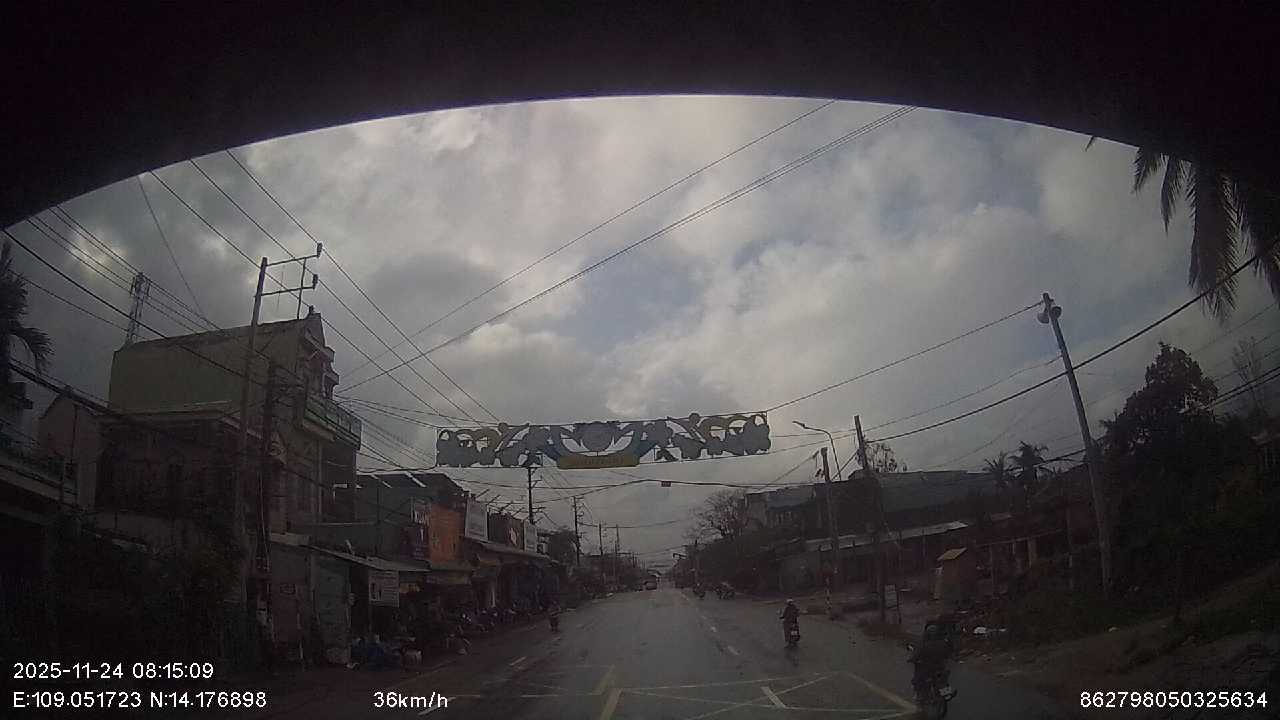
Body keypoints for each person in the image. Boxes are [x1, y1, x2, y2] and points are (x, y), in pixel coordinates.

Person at [908, 620, 954, 699]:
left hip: (927, 667)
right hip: (939, 666)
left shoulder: (924, 644)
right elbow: (949, 652)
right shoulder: (943, 643)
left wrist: (912, 659)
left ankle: (920, 695)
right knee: (943, 678)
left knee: (918, 678)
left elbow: (917, 654)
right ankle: (946, 693)